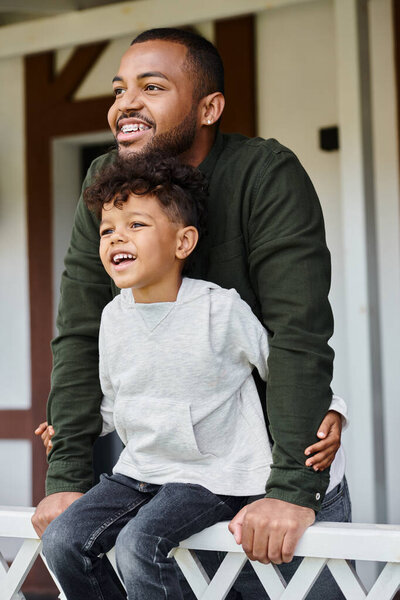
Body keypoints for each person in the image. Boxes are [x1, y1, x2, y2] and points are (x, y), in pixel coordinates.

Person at [32, 27, 350, 598]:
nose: (125, 102)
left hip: (264, 482)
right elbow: (81, 333)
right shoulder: (107, 183)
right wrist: (67, 478)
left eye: (151, 87)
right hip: (157, 488)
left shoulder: (264, 173)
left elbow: (296, 335)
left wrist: (292, 489)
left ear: (209, 107)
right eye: (119, 88)